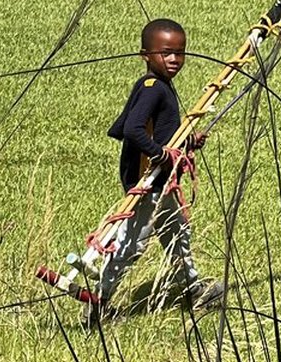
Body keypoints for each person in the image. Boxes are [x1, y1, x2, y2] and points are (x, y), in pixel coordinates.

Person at [82, 18, 224, 328]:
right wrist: (160, 154)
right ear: (145, 54)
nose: (174, 59)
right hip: (148, 182)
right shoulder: (152, 88)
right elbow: (132, 130)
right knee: (131, 245)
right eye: (166, 53)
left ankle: (193, 290)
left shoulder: (160, 86)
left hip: (161, 180)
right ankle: (98, 306)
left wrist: (186, 140)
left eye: (180, 53)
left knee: (177, 234)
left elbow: (159, 131)